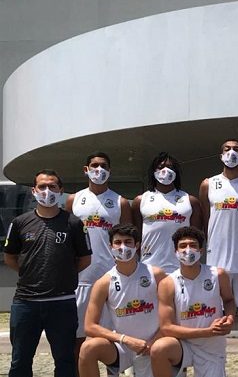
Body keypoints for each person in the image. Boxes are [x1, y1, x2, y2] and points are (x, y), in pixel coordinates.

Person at [3, 169, 92, 377]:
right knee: (20, 362)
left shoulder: (74, 223)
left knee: (65, 361)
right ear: (34, 191)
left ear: (60, 190)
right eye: (42, 186)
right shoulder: (19, 223)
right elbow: (10, 257)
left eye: (52, 186)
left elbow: (85, 259)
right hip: (26, 303)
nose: (47, 191)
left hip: (62, 302)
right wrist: (30, 272)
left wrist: (62, 274)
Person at [199, 138, 238, 376]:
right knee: (216, 323)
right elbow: (206, 223)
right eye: (227, 149)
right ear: (220, 154)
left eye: (236, 150)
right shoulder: (208, 184)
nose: (232, 153)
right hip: (217, 265)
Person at [65, 151, 133, 361]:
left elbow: (128, 238)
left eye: (103, 166)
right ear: (86, 170)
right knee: (78, 338)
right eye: (94, 165)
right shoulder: (74, 200)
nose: (99, 170)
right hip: (81, 280)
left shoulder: (120, 202)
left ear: (109, 171)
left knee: (112, 338)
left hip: (111, 279)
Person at [78, 223, 166, 377]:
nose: (122, 247)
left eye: (128, 242)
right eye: (118, 243)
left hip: (155, 344)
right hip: (123, 347)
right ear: (110, 246)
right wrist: (126, 340)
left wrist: (155, 341)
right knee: (88, 348)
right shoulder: (103, 283)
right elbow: (90, 326)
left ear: (137, 246)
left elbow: (174, 314)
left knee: (170, 345)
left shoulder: (156, 275)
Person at [150, 226, 236, 377]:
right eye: (183, 246)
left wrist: (229, 319)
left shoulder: (218, 275)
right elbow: (166, 328)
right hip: (183, 345)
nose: (188, 250)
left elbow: (229, 301)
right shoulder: (167, 283)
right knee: (159, 348)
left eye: (193, 245)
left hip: (211, 348)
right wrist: (207, 332)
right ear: (175, 252)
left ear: (201, 250)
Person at [132, 152, 203, 273]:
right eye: (160, 167)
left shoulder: (190, 201)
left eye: (170, 167)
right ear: (153, 172)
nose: (165, 170)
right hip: (149, 268)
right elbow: (135, 237)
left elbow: (196, 237)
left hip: (181, 268)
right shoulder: (140, 201)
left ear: (176, 172)